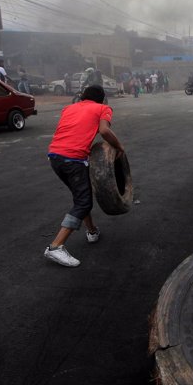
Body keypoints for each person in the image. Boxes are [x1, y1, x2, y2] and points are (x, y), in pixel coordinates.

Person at [44, 85, 125, 267]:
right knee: (84, 202)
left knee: (81, 195)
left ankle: (92, 231)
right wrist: (119, 146)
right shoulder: (103, 108)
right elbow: (104, 131)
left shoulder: (69, 108)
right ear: (102, 99)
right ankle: (56, 246)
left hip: (55, 157)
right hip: (73, 160)